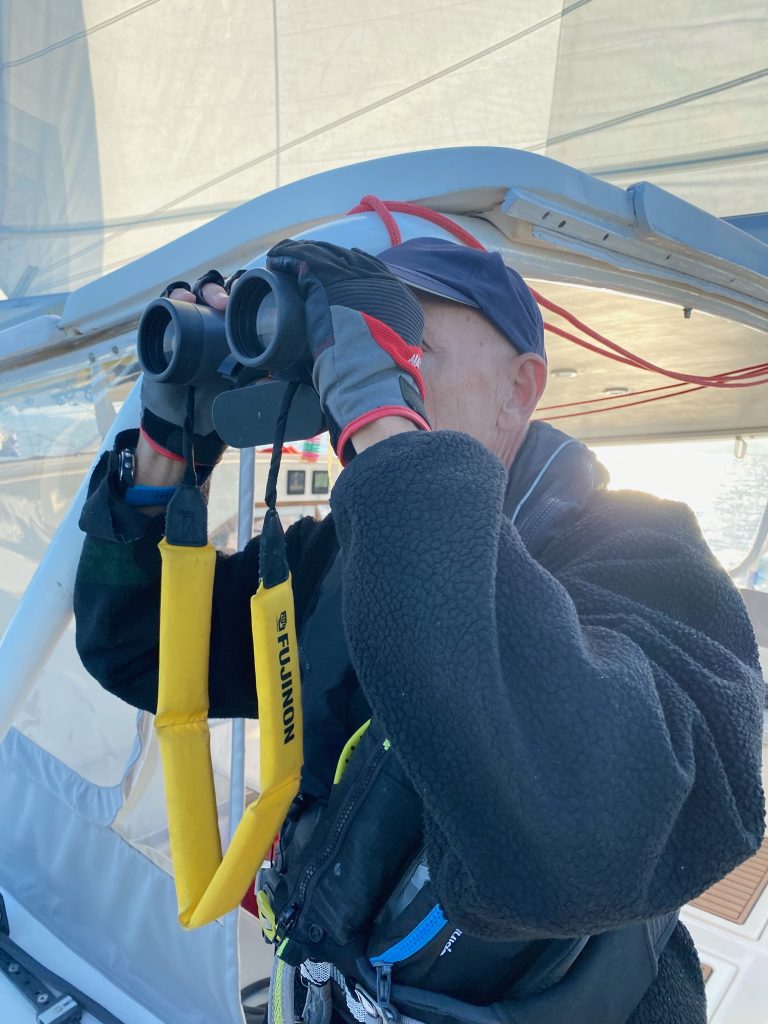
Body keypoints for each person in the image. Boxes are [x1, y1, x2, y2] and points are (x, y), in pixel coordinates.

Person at [74, 237, 765, 1024]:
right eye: (351, 348)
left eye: (404, 345)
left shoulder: (645, 554)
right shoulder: (346, 556)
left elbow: (587, 828)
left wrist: (379, 417)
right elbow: (138, 645)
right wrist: (169, 452)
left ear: (519, 391)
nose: (357, 375)